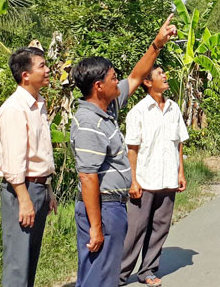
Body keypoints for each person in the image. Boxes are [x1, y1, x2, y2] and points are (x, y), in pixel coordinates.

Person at [70, 15, 177, 287]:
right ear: (98, 86)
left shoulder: (108, 109)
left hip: (113, 208)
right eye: (113, 79)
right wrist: (96, 226)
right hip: (102, 209)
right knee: (98, 276)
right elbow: (87, 178)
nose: (118, 83)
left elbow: (137, 75)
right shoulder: (88, 124)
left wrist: (157, 44)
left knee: (105, 275)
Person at [118, 66, 189, 286]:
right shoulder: (138, 112)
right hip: (145, 181)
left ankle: (148, 270)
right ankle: (118, 275)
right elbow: (132, 149)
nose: (165, 76)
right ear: (147, 82)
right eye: (159, 74)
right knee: (135, 230)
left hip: (168, 178)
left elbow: (178, 144)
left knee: (160, 227)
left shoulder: (173, 108)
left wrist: (180, 172)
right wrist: (133, 180)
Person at [0, 47, 57, 287]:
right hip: (22, 189)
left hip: (38, 187)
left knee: (30, 258)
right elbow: (14, 161)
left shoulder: (38, 104)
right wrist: (24, 199)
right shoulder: (14, 108)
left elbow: (39, 154)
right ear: (25, 75)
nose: (48, 69)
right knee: (18, 261)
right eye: (42, 65)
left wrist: (48, 190)